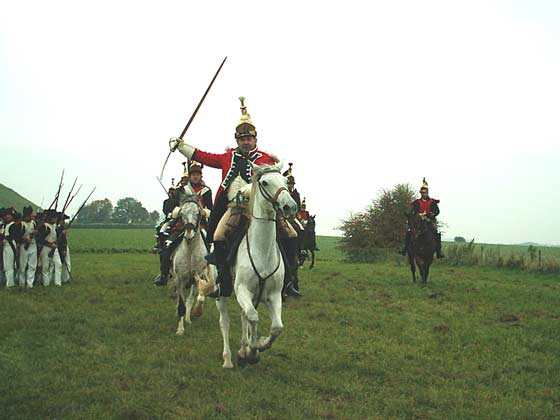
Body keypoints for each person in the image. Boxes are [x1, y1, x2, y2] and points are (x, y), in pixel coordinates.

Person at [169, 96, 277, 297]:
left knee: (291, 234)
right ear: (237, 140)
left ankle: (288, 281)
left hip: (258, 208)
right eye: (242, 139)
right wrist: (181, 146)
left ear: (255, 140)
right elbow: (203, 156)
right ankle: (224, 282)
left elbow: (272, 178)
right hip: (232, 207)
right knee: (217, 237)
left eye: (249, 139)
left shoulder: (265, 159)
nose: (246, 142)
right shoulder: (228, 157)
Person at [154, 161, 213, 286]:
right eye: (193, 174)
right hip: (181, 224)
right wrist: (177, 209)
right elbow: (171, 207)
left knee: (212, 246)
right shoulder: (181, 190)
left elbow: (210, 208)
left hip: (200, 224)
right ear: (190, 176)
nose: (195, 176)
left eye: (197, 174)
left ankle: (212, 275)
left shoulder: (206, 191)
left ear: (201, 176)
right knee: (167, 247)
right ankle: (164, 274)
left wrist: (205, 212)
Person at [401, 178, 444, 258]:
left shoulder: (432, 202)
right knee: (410, 231)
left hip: (429, 220)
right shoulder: (417, 202)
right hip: (418, 220)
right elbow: (413, 211)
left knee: (436, 232)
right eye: (422, 193)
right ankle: (405, 248)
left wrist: (432, 214)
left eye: (424, 192)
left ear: (427, 193)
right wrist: (416, 214)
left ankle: (439, 251)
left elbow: (437, 211)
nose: (423, 194)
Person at [36, 209, 63, 286]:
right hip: (46, 248)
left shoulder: (55, 226)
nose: (55, 219)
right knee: (45, 267)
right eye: (54, 218)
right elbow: (40, 239)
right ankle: (46, 284)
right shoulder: (44, 226)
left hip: (54, 248)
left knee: (58, 264)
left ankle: (58, 283)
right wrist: (49, 244)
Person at [15, 206, 37, 288]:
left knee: (32, 265)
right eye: (32, 214)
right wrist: (24, 239)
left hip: (32, 245)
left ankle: (30, 284)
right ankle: (21, 283)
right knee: (22, 266)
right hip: (24, 246)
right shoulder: (21, 224)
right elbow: (17, 237)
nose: (33, 215)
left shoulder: (34, 223)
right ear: (28, 215)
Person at [1, 208, 18, 288]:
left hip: (10, 245)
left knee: (10, 266)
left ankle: (10, 284)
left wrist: (3, 236)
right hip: (5, 245)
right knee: (6, 266)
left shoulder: (13, 225)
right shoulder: (6, 225)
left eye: (9, 215)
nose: (7, 217)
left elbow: (12, 237)